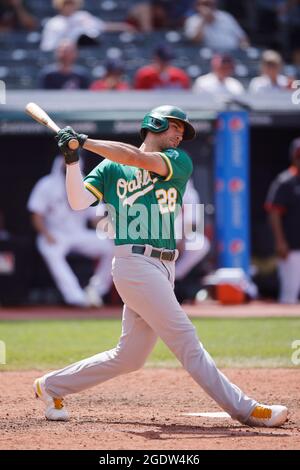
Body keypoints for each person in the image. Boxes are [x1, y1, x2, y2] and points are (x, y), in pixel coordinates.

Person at [33, 105, 287, 427]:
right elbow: (78, 201)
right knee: (186, 339)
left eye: (183, 131)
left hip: (163, 266)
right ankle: (246, 409)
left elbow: (136, 159)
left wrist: (83, 142)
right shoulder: (111, 168)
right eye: (175, 127)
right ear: (153, 125)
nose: (180, 135)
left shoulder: (178, 162)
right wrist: (72, 161)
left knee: (129, 358)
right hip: (134, 263)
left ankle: (51, 385)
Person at [27, 155, 113, 307]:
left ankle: (95, 292)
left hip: (78, 234)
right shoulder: (46, 184)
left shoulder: (88, 184)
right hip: (54, 234)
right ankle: (75, 297)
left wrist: (108, 231)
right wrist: (46, 234)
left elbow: (94, 218)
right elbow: (36, 214)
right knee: (50, 249)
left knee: (113, 247)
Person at [265, 137, 300, 304]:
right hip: (292, 247)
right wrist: (280, 242)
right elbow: (274, 213)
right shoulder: (285, 181)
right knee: (290, 293)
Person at [40, 0, 134, 52]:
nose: (69, 6)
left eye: (71, 3)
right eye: (66, 3)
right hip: (64, 56)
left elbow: (103, 26)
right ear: (60, 5)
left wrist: (125, 26)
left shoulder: (83, 16)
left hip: (82, 51)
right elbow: (48, 47)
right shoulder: (53, 23)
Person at [184, 0, 249, 51]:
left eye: (211, 4)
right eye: (205, 4)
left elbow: (242, 38)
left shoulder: (226, 16)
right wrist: (204, 20)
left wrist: (244, 48)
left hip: (233, 54)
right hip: (209, 57)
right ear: (197, 6)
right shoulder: (192, 20)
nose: (208, 7)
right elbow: (196, 41)